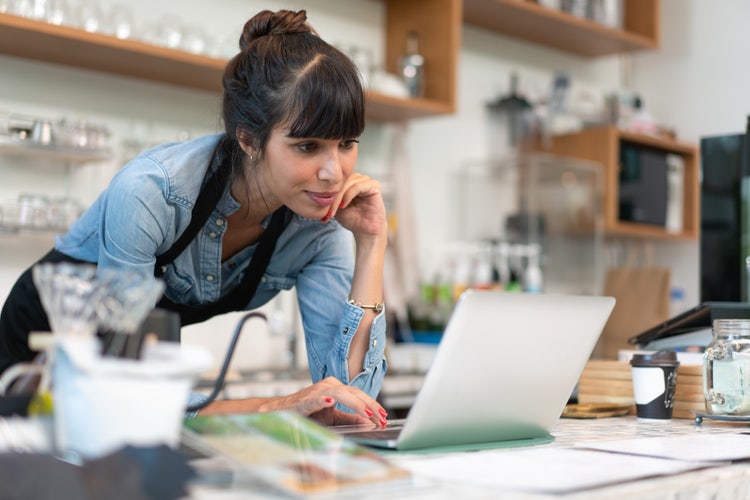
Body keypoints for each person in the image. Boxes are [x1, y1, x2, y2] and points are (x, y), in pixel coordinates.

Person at [0, 9, 389, 428]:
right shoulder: (151, 193)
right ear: (248, 140)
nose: (335, 173)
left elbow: (352, 404)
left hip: (128, 385)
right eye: (308, 146)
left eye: (347, 143)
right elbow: (128, 386)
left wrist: (371, 243)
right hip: (41, 358)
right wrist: (273, 406)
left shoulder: (319, 222)